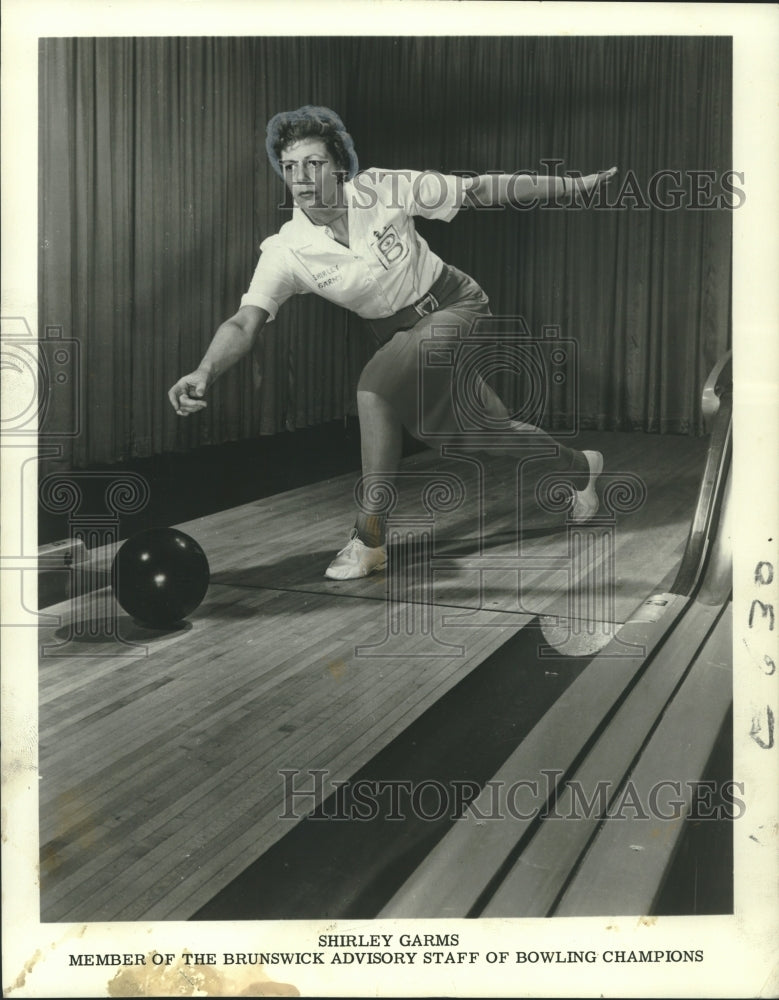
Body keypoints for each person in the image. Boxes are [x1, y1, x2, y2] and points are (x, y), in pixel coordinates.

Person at [169, 106, 616, 580]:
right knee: (483, 433)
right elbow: (244, 322)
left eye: (314, 163)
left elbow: (480, 188)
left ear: (340, 165)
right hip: (402, 338)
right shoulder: (287, 250)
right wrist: (204, 370)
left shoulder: (384, 188)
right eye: (290, 167)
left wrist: (571, 185)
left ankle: (369, 538)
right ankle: (580, 468)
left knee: (375, 389)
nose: (301, 178)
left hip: (454, 306)